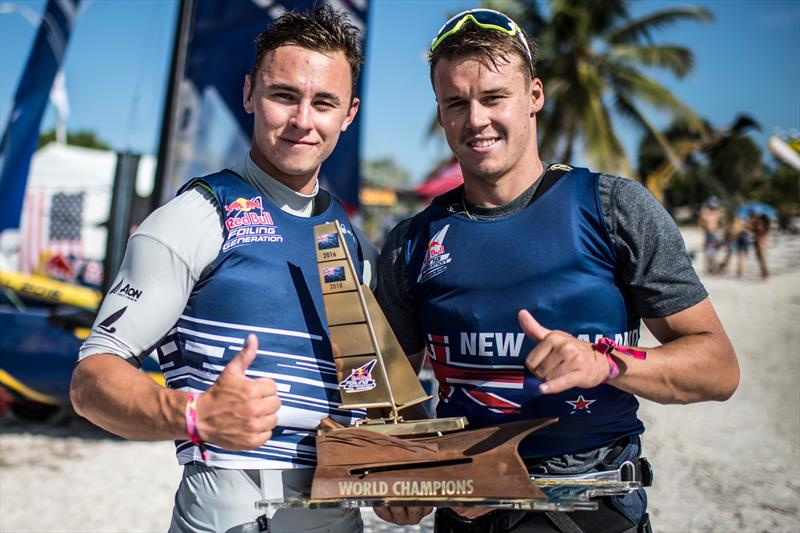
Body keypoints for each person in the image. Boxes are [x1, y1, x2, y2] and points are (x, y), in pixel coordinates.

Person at [374, 9, 739, 533]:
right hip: (469, 515)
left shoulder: (612, 207)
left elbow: (719, 368)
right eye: (456, 103)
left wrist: (607, 363)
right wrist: (411, 472)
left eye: (494, 97)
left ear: (534, 97)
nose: (475, 119)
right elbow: (393, 400)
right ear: (440, 114)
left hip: (594, 507)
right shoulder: (411, 242)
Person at [70, 7, 373, 533]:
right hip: (227, 515)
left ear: (348, 114)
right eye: (284, 96)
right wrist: (195, 415)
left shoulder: (354, 241)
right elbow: (91, 380)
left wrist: (400, 478)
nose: (303, 119)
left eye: (323, 102)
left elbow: (366, 404)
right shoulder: (195, 217)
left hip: (339, 518)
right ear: (250, 93)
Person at [698, 196, 724, 273]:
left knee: (715, 251)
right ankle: (708, 267)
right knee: (707, 251)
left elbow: (722, 223)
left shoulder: (719, 212)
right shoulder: (705, 212)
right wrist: (702, 230)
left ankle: (713, 266)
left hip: (715, 233)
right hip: (708, 234)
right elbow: (701, 222)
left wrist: (720, 231)